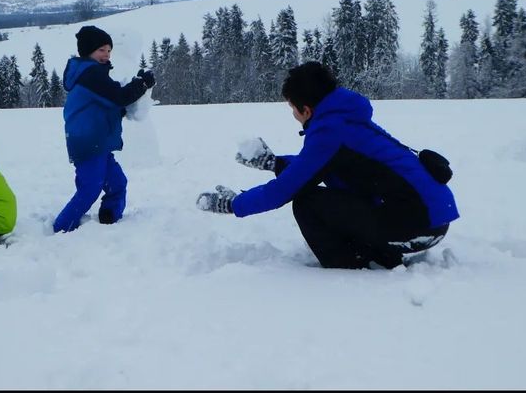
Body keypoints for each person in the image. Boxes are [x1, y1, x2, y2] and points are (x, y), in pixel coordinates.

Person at [196, 62, 459, 269]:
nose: (293, 114)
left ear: (306, 109)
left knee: (307, 202)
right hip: (430, 220)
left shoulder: (329, 133)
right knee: (326, 195)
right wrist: (274, 163)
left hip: (416, 226)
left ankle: (359, 262)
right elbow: (320, 167)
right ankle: (377, 250)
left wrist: (233, 205)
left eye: (292, 108)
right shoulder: (344, 119)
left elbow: (285, 189)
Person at [53, 25, 155, 233]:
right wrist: (142, 84)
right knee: (90, 188)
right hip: (88, 141)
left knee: (117, 183)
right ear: (88, 51)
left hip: (97, 141)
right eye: (101, 50)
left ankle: (109, 218)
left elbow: (106, 105)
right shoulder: (90, 74)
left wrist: (122, 110)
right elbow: (118, 97)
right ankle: (61, 228)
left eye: (109, 50)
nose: (106, 55)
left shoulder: (92, 73)